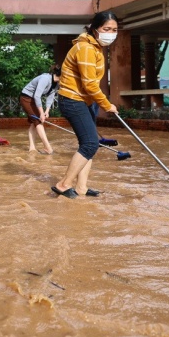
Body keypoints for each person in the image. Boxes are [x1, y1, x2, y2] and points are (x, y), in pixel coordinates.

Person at [52, 11, 119, 199]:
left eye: (114, 30)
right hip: (74, 100)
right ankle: (64, 184)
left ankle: (81, 187)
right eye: (106, 29)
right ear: (95, 29)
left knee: (89, 144)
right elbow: (90, 84)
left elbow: (91, 85)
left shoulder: (95, 47)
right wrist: (107, 105)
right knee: (90, 144)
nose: (111, 33)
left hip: (85, 100)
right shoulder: (86, 48)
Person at [20, 65, 61, 154]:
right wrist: (41, 113)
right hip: (26, 98)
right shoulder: (45, 79)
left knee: (34, 122)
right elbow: (37, 96)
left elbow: (50, 97)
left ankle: (32, 147)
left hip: (33, 100)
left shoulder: (56, 84)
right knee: (38, 121)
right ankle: (48, 147)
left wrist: (47, 111)